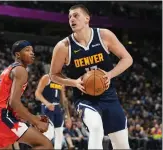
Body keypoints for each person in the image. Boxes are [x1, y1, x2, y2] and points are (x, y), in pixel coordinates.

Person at [49, 4, 133, 149]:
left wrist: (110, 74)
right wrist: (73, 82)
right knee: (95, 127)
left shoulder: (104, 35)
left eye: (76, 15)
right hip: (84, 98)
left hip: (108, 95)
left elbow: (127, 59)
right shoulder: (63, 46)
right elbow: (53, 75)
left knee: (122, 145)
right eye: (69, 17)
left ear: (87, 18)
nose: (72, 19)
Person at [0, 40, 53, 149]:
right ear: (17, 54)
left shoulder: (10, 69)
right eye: (27, 50)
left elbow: (10, 103)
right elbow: (14, 102)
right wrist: (35, 121)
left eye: (32, 50)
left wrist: (34, 117)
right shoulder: (20, 70)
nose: (32, 53)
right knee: (45, 145)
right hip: (0, 116)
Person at [35, 74, 72, 149]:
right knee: (49, 134)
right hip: (47, 107)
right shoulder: (46, 77)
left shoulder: (61, 80)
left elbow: (64, 100)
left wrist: (68, 116)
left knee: (59, 134)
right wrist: (47, 103)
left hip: (58, 108)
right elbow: (37, 93)